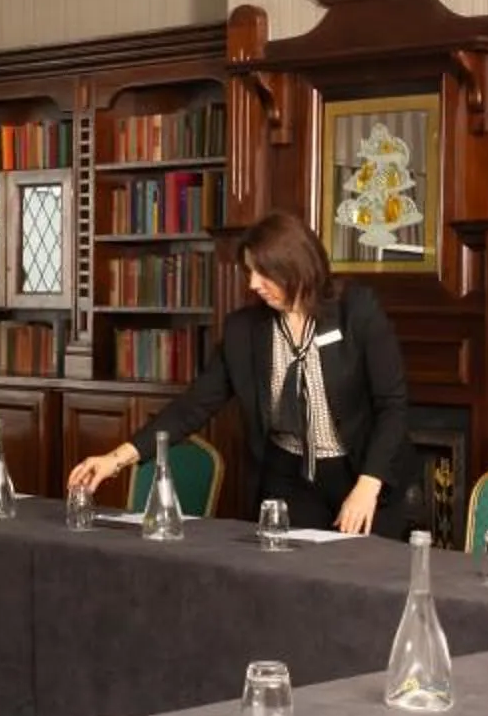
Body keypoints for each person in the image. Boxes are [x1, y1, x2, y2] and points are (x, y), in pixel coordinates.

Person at [66, 210, 414, 537]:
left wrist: (368, 485)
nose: (253, 284)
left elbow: (392, 405)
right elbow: (192, 407)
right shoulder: (243, 332)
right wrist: (114, 460)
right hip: (289, 479)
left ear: (295, 266)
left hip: (361, 474)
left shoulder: (356, 311)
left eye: (264, 273)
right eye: (249, 272)